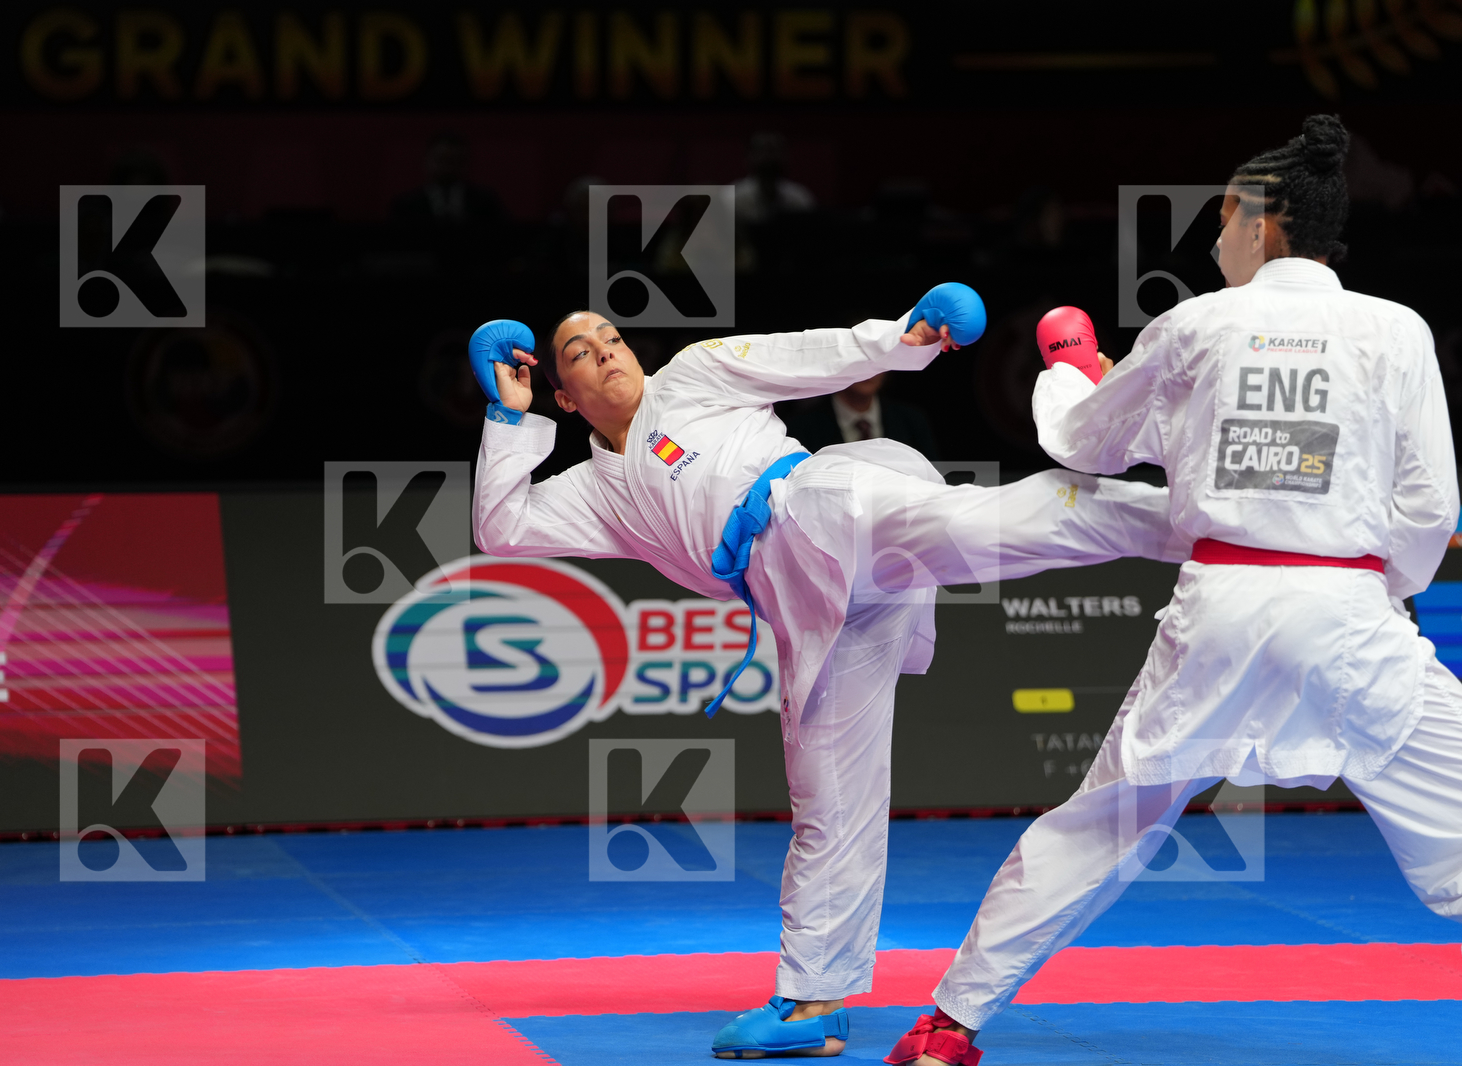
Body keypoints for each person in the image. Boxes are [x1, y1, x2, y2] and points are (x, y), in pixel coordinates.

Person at [469, 287, 1190, 1060]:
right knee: (828, 799)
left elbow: (812, 353)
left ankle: (1192, 521)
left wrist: (905, 335)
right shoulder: (592, 491)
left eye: (610, 338)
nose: (606, 352)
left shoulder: (693, 373)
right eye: (580, 353)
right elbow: (501, 528)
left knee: (986, 526)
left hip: (824, 507)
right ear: (565, 398)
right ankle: (812, 1002)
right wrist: (507, 417)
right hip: (803, 602)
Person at [902, 115, 1461, 1066]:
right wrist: (1376, 592)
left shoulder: (1197, 324)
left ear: (1263, 223)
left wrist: (1069, 374)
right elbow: (1429, 504)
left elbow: (1084, 444)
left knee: (1101, 824)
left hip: (1220, 611)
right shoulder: (1396, 329)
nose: (1214, 238)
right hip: (1349, 618)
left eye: (1224, 216)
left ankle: (949, 1027)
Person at [781, 371, 940, 458]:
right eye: (860, 360)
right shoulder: (802, 427)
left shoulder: (911, 420)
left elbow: (933, 481)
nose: (868, 369)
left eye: (877, 359)